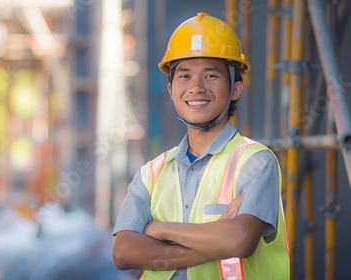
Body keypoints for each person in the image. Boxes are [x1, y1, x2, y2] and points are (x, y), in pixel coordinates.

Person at [112, 12, 290, 279]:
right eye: (184, 76)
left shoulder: (255, 161)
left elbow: (239, 241)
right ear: (171, 89)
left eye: (210, 76)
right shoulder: (151, 173)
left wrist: (160, 229)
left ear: (235, 90)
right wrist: (215, 238)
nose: (196, 87)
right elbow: (124, 253)